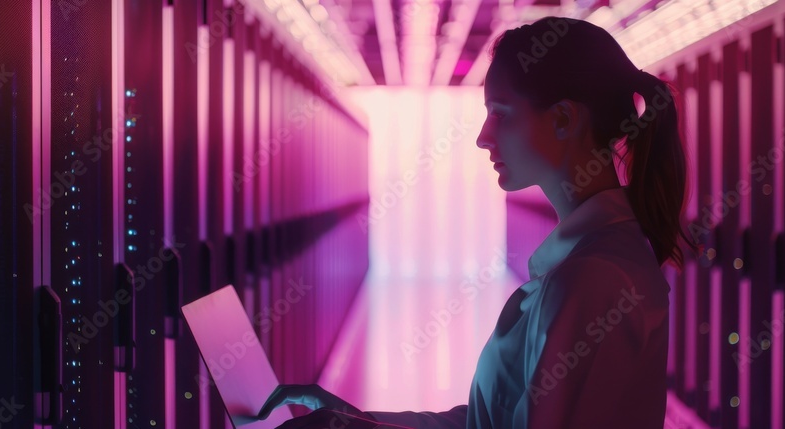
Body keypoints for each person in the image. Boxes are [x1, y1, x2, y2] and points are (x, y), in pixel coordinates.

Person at [256, 16, 695, 429]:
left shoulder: (594, 279)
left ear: (564, 119)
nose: (484, 137)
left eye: (500, 113)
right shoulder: (588, 264)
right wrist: (356, 421)